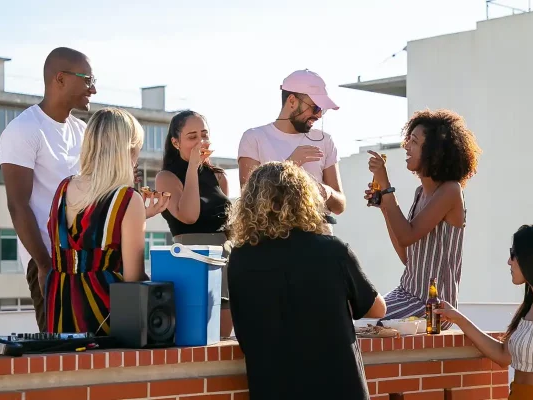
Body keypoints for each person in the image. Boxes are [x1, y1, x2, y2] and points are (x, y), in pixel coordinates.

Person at [227, 161, 386, 400]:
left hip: (272, 388)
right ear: (304, 199)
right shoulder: (332, 250)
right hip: (339, 387)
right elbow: (376, 308)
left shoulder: (239, 257)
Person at [45, 108, 169, 334]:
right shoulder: (127, 198)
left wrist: (140, 216)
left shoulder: (63, 188)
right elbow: (134, 279)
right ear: (127, 150)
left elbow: (83, 239)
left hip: (61, 307)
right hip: (104, 314)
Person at [0, 47, 96, 332]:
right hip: (49, 261)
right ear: (61, 79)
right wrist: (44, 265)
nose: (93, 88)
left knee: (92, 350)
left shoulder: (82, 131)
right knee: (58, 352)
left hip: (84, 260)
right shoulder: (24, 130)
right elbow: (18, 205)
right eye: (88, 79)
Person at [365, 109, 481, 328]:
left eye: (414, 142)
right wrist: (384, 208)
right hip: (405, 294)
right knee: (352, 313)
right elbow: (408, 257)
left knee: (369, 324)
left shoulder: (450, 191)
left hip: (433, 307)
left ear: (434, 151)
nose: (406, 147)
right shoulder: (420, 193)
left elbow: (407, 235)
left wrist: (386, 187)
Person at [435, 223, 533, 400]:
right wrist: (459, 319)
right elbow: (502, 355)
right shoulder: (530, 308)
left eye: (514, 255)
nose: (509, 261)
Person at [154, 110, 233, 337]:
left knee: (223, 336)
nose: (200, 142)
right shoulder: (166, 177)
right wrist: (192, 168)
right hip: (191, 259)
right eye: (192, 137)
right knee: (194, 336)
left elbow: (228, 224)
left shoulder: (218, 176)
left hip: (223, 258)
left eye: (204, 135)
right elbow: (188, 216)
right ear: (175, 142)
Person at [237, 69, 346, 225]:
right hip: (274, 238)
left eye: (322, 109)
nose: (319, 115)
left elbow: (339, 206)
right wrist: (289, 166)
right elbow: (249, 200)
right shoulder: (254, 138)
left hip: (320, 239)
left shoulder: (325, 140)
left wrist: (326, 192)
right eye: (315, 107)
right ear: (292, 101)